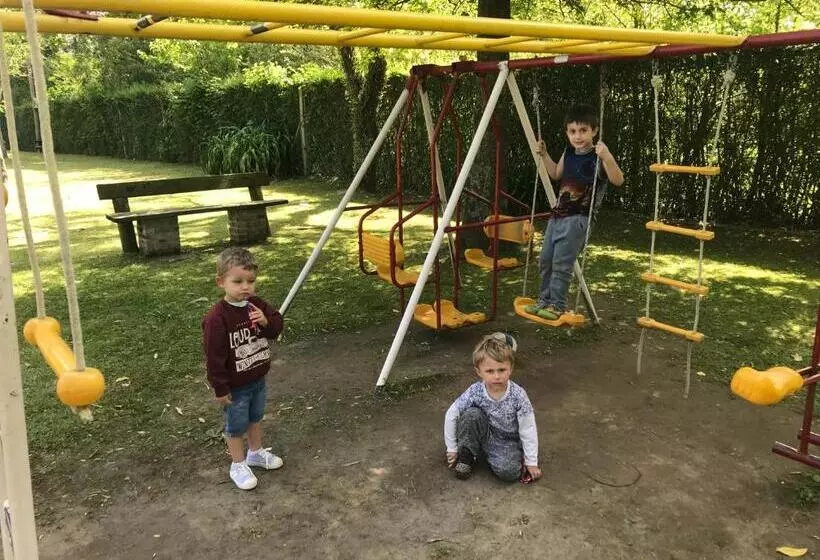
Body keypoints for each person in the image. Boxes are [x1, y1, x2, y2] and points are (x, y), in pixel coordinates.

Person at [526, 103, 624, 320]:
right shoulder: (568, 153)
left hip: (579, 218)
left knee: (562, 263)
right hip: (558, 215)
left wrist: (607, 156)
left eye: (583, 131)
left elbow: (618, 180)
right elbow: (554, 173)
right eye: (572, 131)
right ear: (567, 133)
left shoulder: (598, 157)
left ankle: (557, 305)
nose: (577, 136)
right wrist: (544, 154)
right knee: (545, 260)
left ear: (594, 131)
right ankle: (544, 301)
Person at [203, 247, 285, 490]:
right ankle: (237, 464)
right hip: (235, 386)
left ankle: (255, 452)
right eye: (237, 281)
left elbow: (276, 327)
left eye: (250, 281)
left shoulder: (256, 304)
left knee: (255, 417)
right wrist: (220, 388)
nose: (245, 287)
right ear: (221, 282)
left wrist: (266, 321)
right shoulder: (217, 318)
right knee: (236, 425)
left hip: (257, 377)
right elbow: (214, 357)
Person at [444, 333, 542, 483]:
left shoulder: (518, 395)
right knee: (471, 415)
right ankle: (467, 455)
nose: (496, 376)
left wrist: (531, 461)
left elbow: (528, 428)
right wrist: (452, 447)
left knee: (509, 473)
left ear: (511, 368)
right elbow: (452, 413)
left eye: (502, 370)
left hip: (506, 441)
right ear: (479, 372)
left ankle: (489, 454)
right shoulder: (475, 391)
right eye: (490, 371)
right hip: (484, 432)